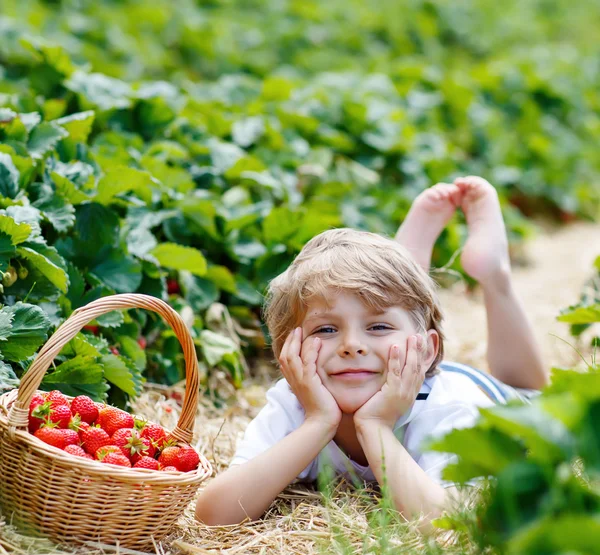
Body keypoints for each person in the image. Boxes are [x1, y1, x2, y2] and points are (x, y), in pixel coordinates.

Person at [195, 176, 547, 527]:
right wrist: (319, 422)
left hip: (491, 397)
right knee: (388, 303)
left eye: (377, 327)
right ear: (290, 349)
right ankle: (404, 274)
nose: (351, 346)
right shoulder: (295, 401)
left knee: (534, 397)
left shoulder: (448, 408)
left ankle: (494, 276)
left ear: (427, 351)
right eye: (326, 329)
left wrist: (376, 425)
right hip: (398, 359)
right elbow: (214, 514)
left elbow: (448, 526)